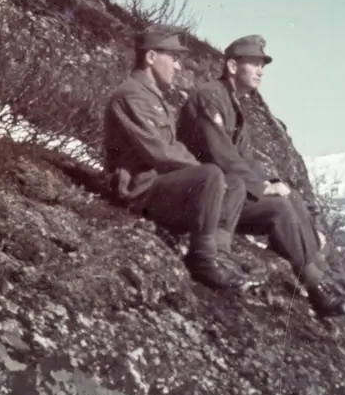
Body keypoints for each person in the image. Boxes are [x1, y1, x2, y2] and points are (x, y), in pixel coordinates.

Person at [176, 34, 345, 317]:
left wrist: (270, 183)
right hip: (207, 195)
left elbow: (246, 159)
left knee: (290, 198)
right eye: (254, 64)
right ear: (233, 67)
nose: (260, 71)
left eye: (262, 65)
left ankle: (321, 274)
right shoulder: (209, 97)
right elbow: (220, 154)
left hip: (228, 193)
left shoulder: (233, 103)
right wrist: (261, 187)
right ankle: (315, 285)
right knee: (279, 207)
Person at [101, 25, 254, 290]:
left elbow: (170, 148)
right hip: (139, 191)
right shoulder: (131, 96)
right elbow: (160, 152)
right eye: (173, 58)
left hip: (159, 188)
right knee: (211, 175)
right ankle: (203, 259)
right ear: (151, 58)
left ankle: (221, 254)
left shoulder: (153, 98)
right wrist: (202, 170)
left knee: (235, 182)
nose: (178, 66)